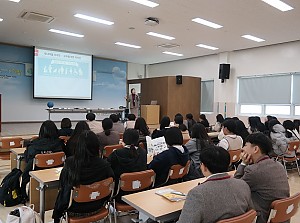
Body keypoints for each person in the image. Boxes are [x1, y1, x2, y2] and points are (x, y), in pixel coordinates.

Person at [177, 146, 253, 223]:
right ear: (228, 164)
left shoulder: (197, 194)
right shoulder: (243, 185)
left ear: (203, 167)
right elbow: (250, 213)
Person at [52, 130, 114, 223]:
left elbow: (63, 187)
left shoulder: (70, 163)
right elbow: (111, 182)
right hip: (98, 206)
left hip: (75, 210)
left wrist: (57, 213)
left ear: (79, 145)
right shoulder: (104, 164)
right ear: (96, 145)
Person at [234, 133, 290, 223]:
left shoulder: (253, 170)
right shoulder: (278, 165)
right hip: (281, 216)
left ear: (255, 149)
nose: (242, 149)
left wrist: (243, 164)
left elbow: (235, 188)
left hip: (262, 217)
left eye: (245, 145)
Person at [21, 120, 65, 200]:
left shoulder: (34, 145)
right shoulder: (60, 144)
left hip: (38, 173)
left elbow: (27, 160)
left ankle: (24, 195)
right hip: (56, 173)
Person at [107, 129, 147, 202]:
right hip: (140, 191)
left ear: (123, 140)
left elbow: (107, 169)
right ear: (138, 139)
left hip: (120, 194)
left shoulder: (116, 153)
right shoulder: (143, 152)